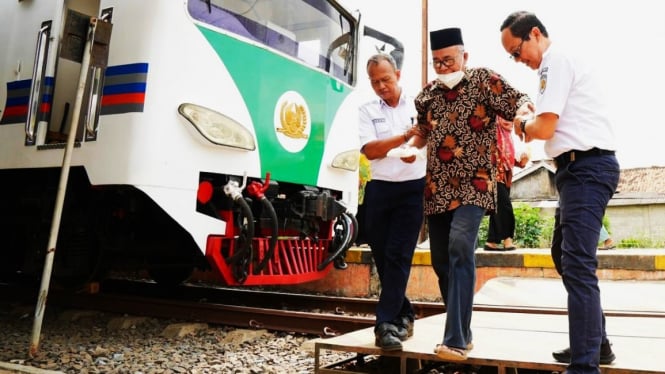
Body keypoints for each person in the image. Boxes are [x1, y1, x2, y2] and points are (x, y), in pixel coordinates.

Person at [501, 11, 620, 372]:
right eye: (512, 56)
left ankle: (585, 365)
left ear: (534, 34)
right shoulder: (550, 69)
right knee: (562, 254)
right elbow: (551, 121)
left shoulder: (555, 61)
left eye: (517, 51)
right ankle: (595, 343)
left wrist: (521, 123)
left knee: (578, 264)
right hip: (574, 170)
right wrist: (531, 121)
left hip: (587, 167)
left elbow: (544, 128)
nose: (518, 60)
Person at [408, 27, 532, 361]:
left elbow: (518, 101)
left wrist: (524, 118)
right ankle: (464, 332)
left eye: (449, 60)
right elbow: (422, 129)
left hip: (475, 183)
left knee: (461, 245)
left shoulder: (484, 80)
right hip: (437, 187)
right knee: (441, 262)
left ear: (465, 55)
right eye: (437, 62)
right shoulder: (428, 94)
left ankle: (455, 341)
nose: (444, 67)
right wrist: (410, 147)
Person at [358, 53, 426, 351]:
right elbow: (370, 150)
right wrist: (402, 138)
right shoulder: (366, 110)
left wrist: (412, 142)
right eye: (375, 82)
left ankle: (385, 324)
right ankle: (405, 312)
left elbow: (426, 139)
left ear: (397, 74)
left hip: (412, 189)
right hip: (379, 190)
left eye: (386, 79)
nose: (381, 86)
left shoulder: (419, 105)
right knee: (383, 255)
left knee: (399, 254)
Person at [484, 115, 530, 252]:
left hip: (504, 175)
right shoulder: (493, 126)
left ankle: (492, 241)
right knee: (504, 207)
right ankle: (507, 239)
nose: (508, 121)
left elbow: (508, 156)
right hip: (492, 174)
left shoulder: (507, 134)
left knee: (498, 207)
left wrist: (520, 161)